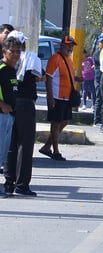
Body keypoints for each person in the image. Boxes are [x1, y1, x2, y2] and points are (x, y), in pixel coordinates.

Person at [3, 31, 43, 196]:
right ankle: (21, 185)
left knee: (11, 145)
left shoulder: (8, 63)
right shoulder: (31, 57)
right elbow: (38, 75)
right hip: (25, 104)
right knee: (24, 145)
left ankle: (9, 182)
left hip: (12, 105)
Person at [39, 36, 82, 161]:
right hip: (56, 96)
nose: (70, 47)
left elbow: (66, 75)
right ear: (62, 45)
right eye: (68, 45)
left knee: (64, 121)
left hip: (66, 97)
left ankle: (47, 146)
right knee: (56, 123)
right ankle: (56, 151)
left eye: (72, 45)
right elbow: (49, 78)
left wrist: (77, 78)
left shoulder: (69, 59)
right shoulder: (55, 59)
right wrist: (50, 97)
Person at [0, 37, 21, 197]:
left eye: (18, 51)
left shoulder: (12, 70)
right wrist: (2, 105)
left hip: (9, 118)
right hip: (2, 116)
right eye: (11, 51)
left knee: (2, 155)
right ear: (4, 52)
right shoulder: (2, 68)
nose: (15, 54)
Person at [92, 37, 103, 126]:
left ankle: (102, 119)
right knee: (99, 99)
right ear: (98, 44)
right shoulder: (97, 53)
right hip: (98, 78)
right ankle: (96, 120)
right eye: (102, 42)